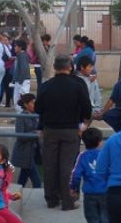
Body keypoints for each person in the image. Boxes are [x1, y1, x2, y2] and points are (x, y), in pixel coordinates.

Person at [35, 54, 92, 211]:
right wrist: (83, 125)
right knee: (67, 166)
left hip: (50, 130)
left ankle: (51, 199)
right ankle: (68, 201)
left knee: (49, 165)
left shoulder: (46, 86)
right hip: (70, 130)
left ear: (54, 67)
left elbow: (38, 109)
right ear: (70, 67)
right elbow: (87, 108)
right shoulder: (77, 84)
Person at [70, 127, 108, 223]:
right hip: (105, 192)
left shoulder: (82, 156)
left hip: (90, 193)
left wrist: (73, 188)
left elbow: (76, 174)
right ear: (100, 142)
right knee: (106, 218)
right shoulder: (105, 155)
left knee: (92, 218)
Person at [11, 93, 41, 189]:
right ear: (26, 104)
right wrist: (35, 133)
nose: (35, 105)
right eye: (32, 103)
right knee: (36, 181)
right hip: (25, 152)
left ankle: (16, 195)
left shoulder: (36, 115)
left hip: (33, 152)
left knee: (23, 179)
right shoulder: (21, 116)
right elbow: (20, 135)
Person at [11, 40, 31, 112]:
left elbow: (24, 69)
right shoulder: (21, 55)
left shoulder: (22, 56)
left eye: (16, 46)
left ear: (20, 47)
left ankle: (22, 116)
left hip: (22, 81)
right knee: (18, 100)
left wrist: (20, 81)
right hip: (20, 81)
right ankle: (20, 116)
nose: (14, 47)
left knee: (21, 100)